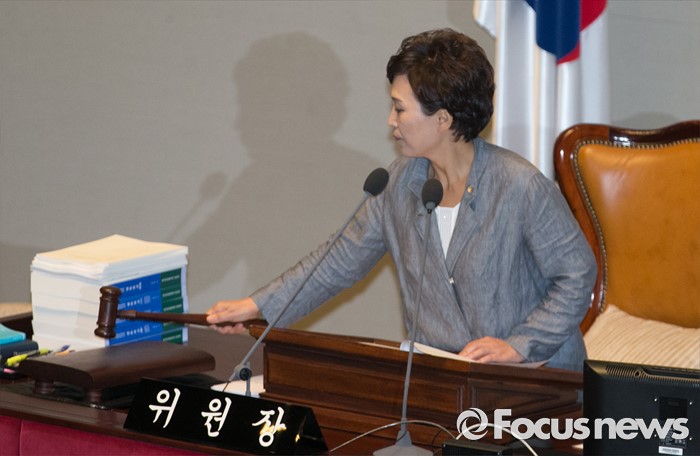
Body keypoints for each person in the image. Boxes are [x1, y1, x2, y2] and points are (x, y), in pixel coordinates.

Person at [206, 28, 597, 371]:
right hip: (444, 384)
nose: (391, 121)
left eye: (399, 109)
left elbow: (577, 276)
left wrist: (519, 345)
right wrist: (258, 306)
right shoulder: (397, 184)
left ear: (442, 119)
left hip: (538, 383)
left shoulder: (520, 186)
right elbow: (336, 263)